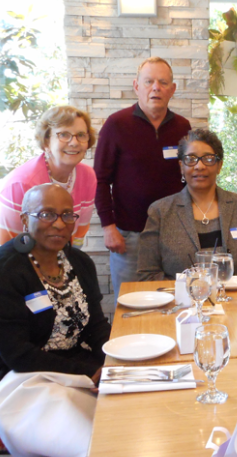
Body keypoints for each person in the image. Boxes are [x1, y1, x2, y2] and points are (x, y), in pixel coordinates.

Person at [0, 184, 111, 457]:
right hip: (11, 377)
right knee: (86, 435)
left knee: (130, 406)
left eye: (67, 215)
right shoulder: (1, 272)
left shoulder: (78, 262)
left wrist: (116, 358)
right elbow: (18, 355)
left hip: (69, 363)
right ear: (25, 219)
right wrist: (88, 372)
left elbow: (96, 326)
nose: (59, 224)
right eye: (47, 214)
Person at [0, 105, 97, 296]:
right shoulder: (20, 184)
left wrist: (62, 278)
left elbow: (74, 239)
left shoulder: (88, 177)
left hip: (32, 263)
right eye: (64, 135)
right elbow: (7, 256)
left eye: (81, 135)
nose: (74, 142)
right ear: (45, 142)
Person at [94, 56, 191, 298]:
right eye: (149, 81)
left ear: (172, 89)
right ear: (136, 86)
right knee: (129, 305)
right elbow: (100, 180)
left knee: (176, 301)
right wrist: (108, 227)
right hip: (130, 236)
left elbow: (192, 177)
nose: (155, 87)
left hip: (175, 234)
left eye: (163, 82)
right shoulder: (116, 124)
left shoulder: (183, 127)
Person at [138, 129, 237, 280]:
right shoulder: (160, 212)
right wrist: (185, 291)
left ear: (219, 165)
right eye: (191, 159)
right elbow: (147, 275)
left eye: (208, 158)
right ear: (181, 166)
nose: (199, 166)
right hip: (184, 301)